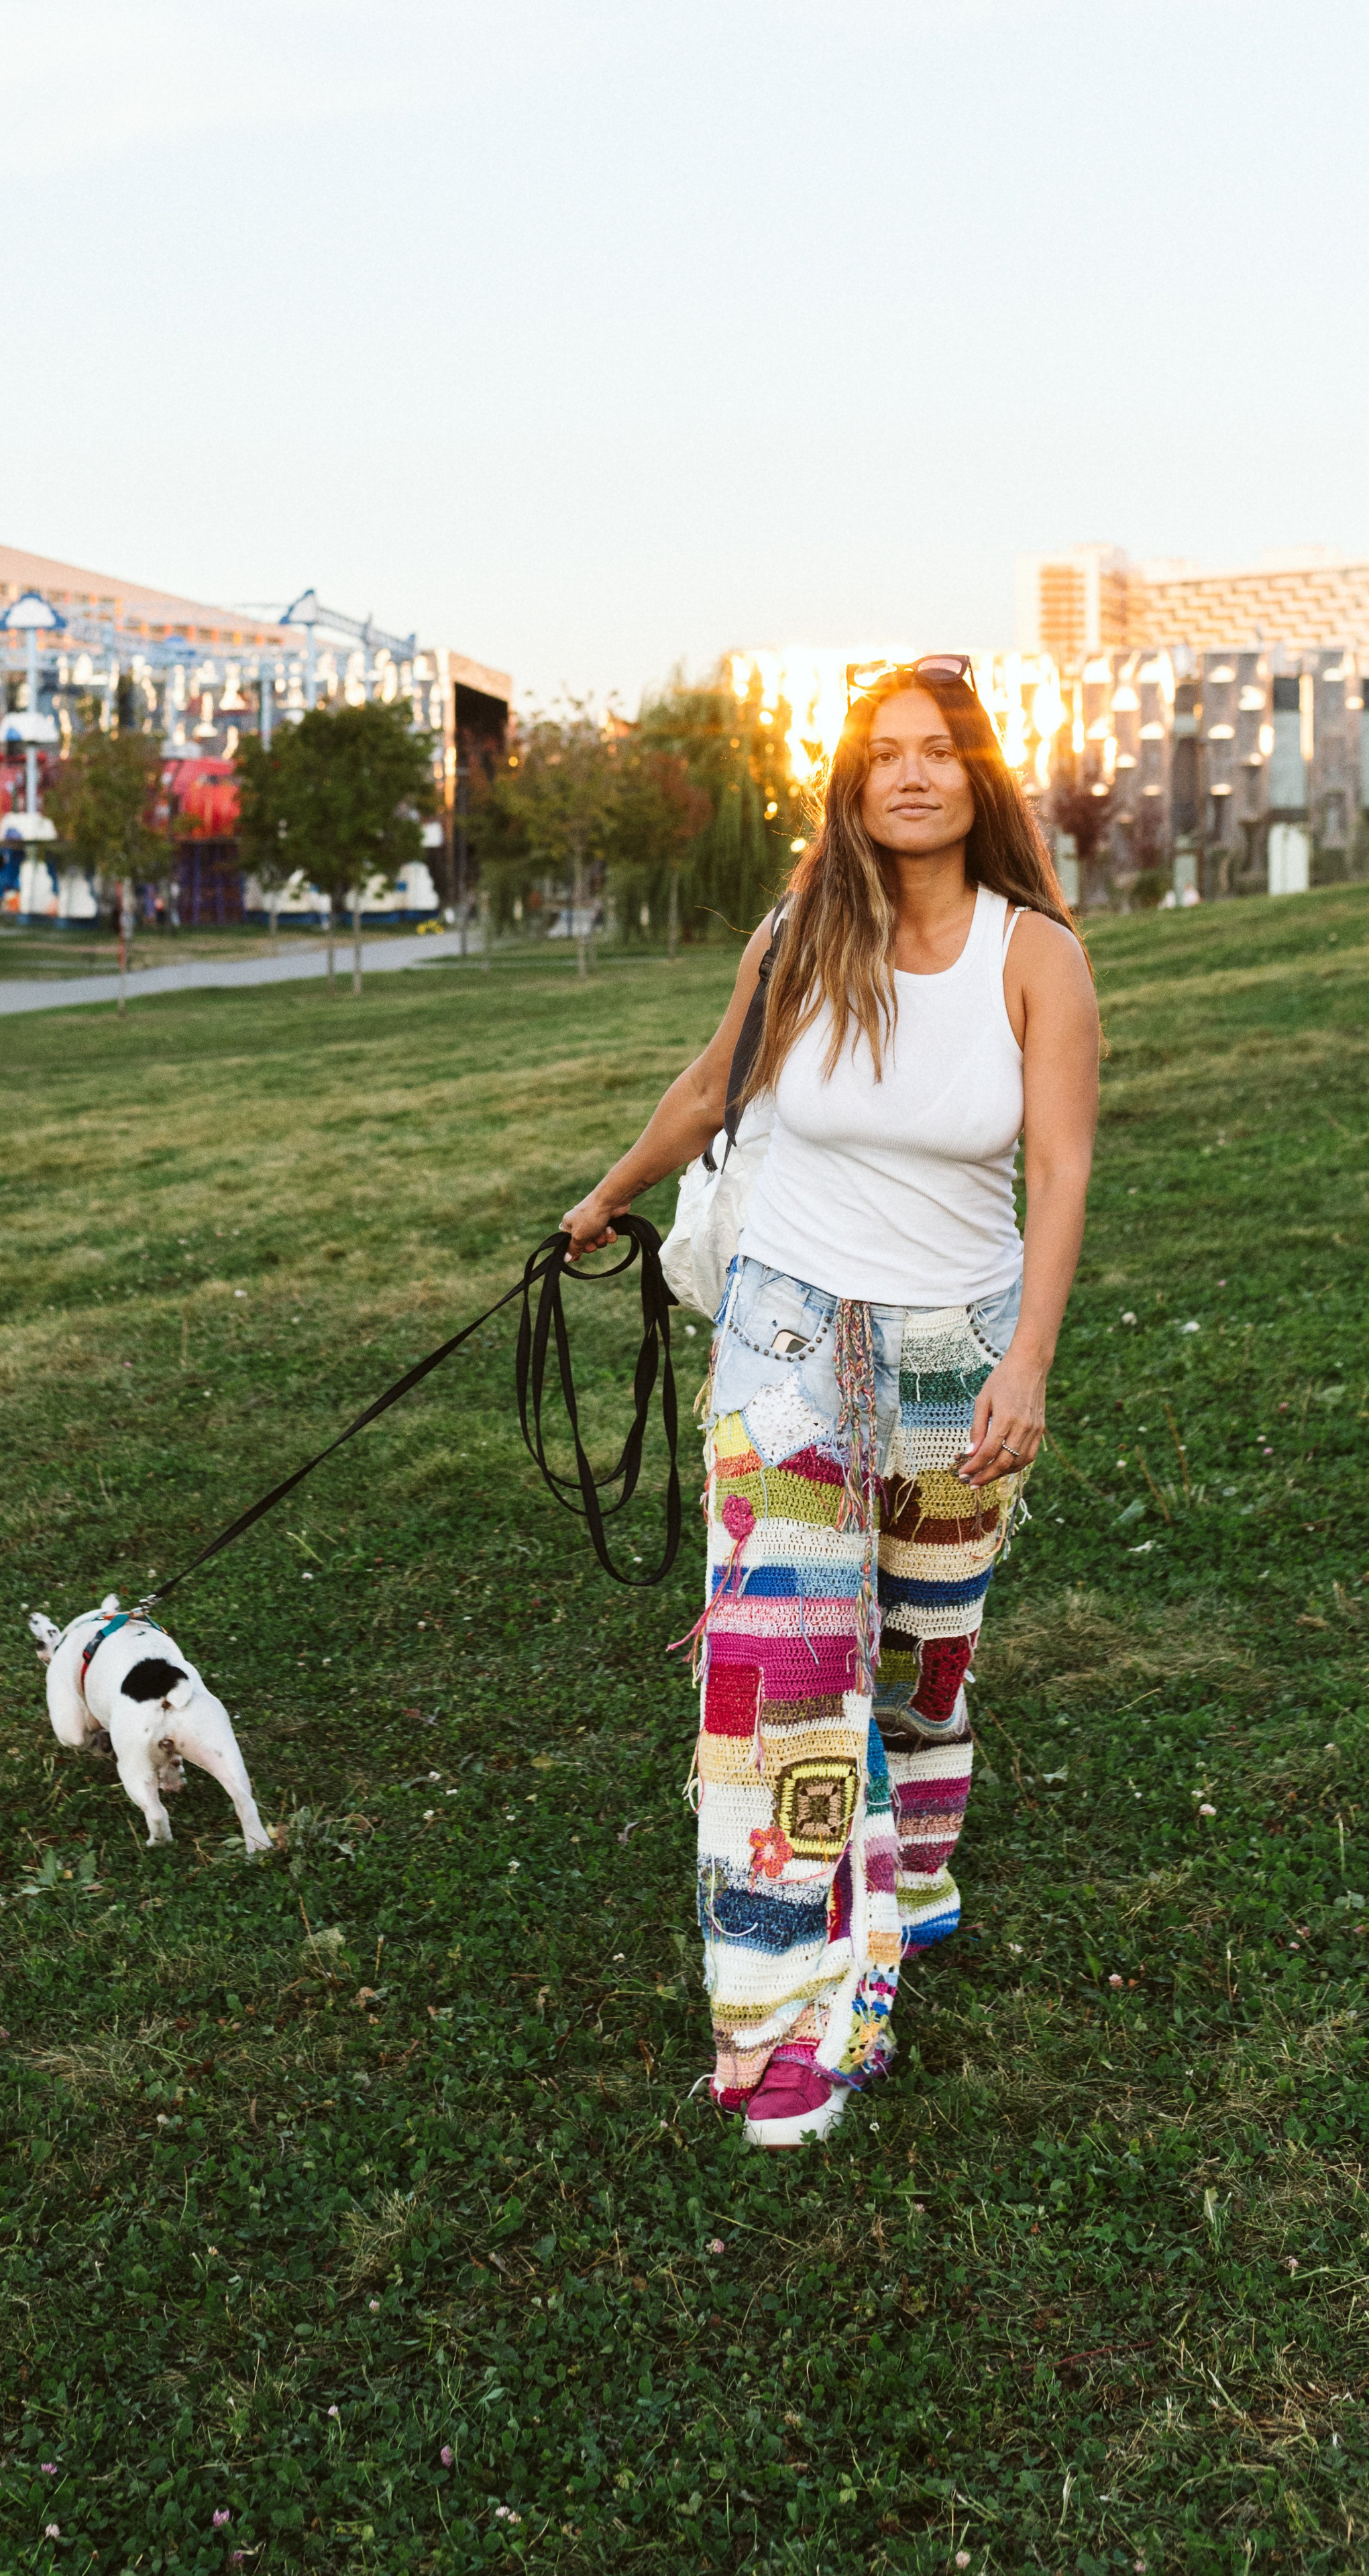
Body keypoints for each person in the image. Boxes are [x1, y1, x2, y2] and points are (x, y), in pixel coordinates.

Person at [561, 659, 1099, 2146]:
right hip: (788, 1324)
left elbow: (1056, 1170)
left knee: (926, 1648)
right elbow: (710, 1085)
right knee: (781, 1667)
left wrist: (1027, 1362)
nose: (911, 776)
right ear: (850, 784)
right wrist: (606, 1201)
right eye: (884, 755)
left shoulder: (1031, 953)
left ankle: (911, 1881)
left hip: (959, 1339)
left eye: (939, 754)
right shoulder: (800, 936)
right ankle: (780, 2027)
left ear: (978, 780)